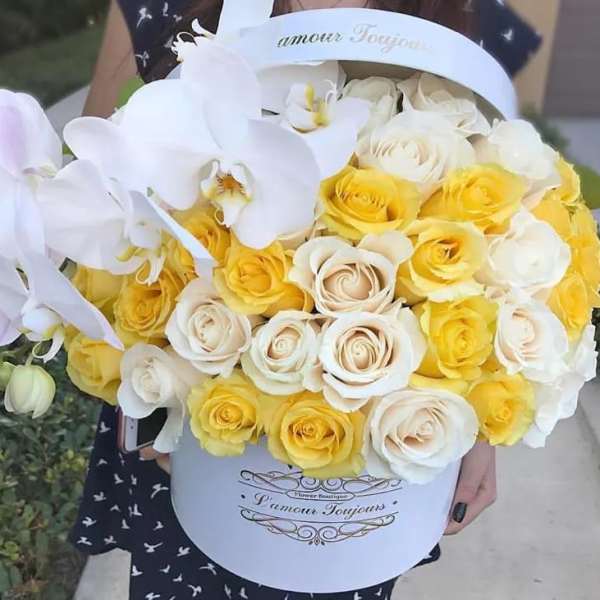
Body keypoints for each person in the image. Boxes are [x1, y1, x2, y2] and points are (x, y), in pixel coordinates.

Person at [70, 1, 538, 597]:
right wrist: (150, 394)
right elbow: (98, 196)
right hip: (193, 417)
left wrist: (479, 421)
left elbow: (493, 226)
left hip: (365, 471)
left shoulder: (468, 18)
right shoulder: (161, 8)